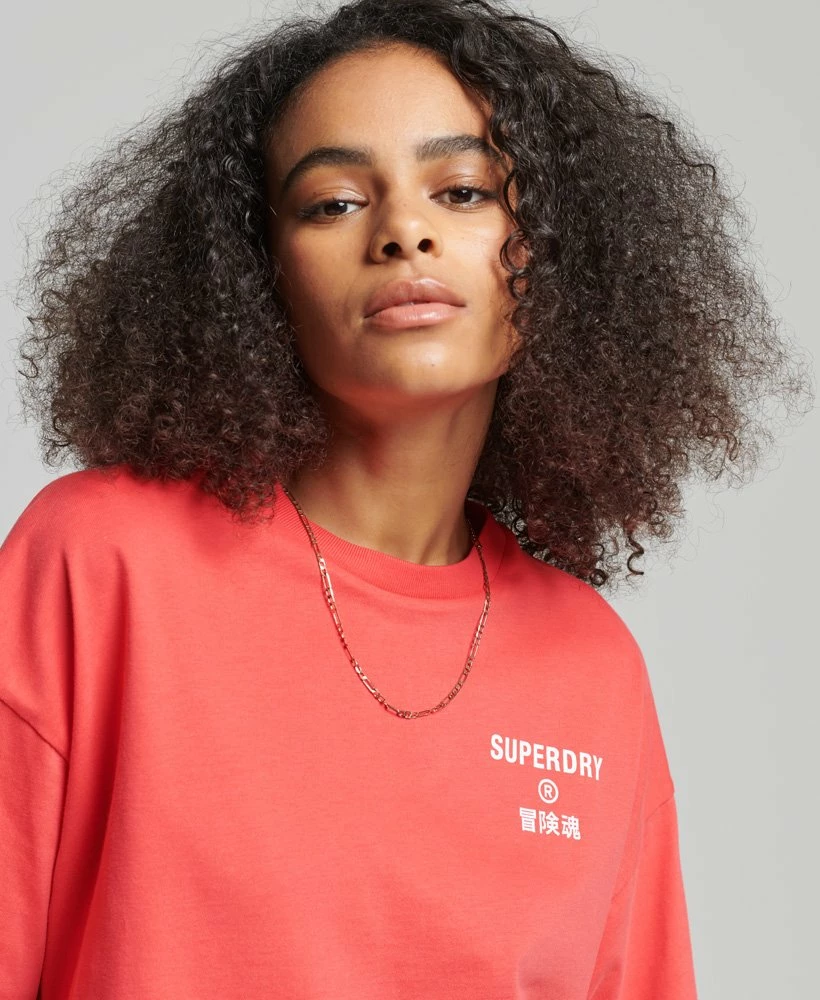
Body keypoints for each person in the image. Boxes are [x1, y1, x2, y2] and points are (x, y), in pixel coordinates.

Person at [1, 0, 812, 997]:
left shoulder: (592, 667)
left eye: (463, 191)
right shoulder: (98, 563)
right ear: (259, 275)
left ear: (553, 253)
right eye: (333, 203)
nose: (403, 232)